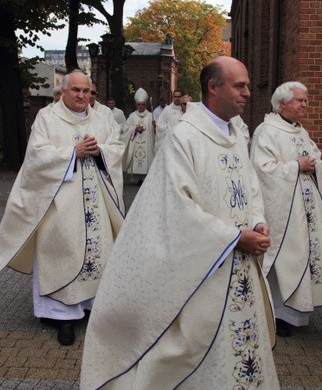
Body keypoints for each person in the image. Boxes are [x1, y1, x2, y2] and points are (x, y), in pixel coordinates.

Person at [80, 57, 280, 390]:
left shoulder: (236, 134)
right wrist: (232, 238)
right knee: (201, 352)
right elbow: (176, 208)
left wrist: (258, 221)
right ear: (213, 88)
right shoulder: (185, 137)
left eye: (247, 84)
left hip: (241, 263)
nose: (248, 92)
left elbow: (251, 187)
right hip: (204, 266)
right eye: (239, 85)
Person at [0, 70, 125, 346]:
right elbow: (37, 156)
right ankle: (63, 316)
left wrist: (100, 152)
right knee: (62, 251)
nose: (82, 96)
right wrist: (72, 153)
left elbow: (117, 147)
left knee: (96, 253)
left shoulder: (103, 118)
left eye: (86, 91)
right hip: (60, 204)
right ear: (63, 91)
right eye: (76, 90)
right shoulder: (47, 118)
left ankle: (88, 307)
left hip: (95, 204)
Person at [250, 81, 322, 337]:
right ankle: (279, 313)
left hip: (306, 210)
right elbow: (262, 169)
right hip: (284, 210)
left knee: (304, 254)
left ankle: (299, 312)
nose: (305, 104)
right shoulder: (266, 131)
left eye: (306, 100)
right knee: (285, 257)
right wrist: (295, 166)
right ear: (282, 103)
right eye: (299, 101)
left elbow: (314, 157)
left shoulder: (299, 131)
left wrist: (314, 165)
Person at [122, 87, 155, 186]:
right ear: (136, 104)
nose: (141, 106)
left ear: (146, 105)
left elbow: (155, 132)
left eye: (143, 104)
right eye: (139, 104)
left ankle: (145, 178)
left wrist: (155, 126)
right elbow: (126, 128)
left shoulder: (150, 116)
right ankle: (136, 178)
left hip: (147, 142)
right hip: (135, 142)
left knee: (146, 158)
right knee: (136, 158)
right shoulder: (132, 116)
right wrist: (134, 129)